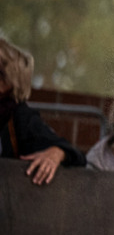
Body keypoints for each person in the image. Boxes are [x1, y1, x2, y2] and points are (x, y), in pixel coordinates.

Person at [0, 36, 86, 184]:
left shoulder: (19, 117)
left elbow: (76, 156)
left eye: (1, 74)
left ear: (9, 83)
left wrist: (57, 153)